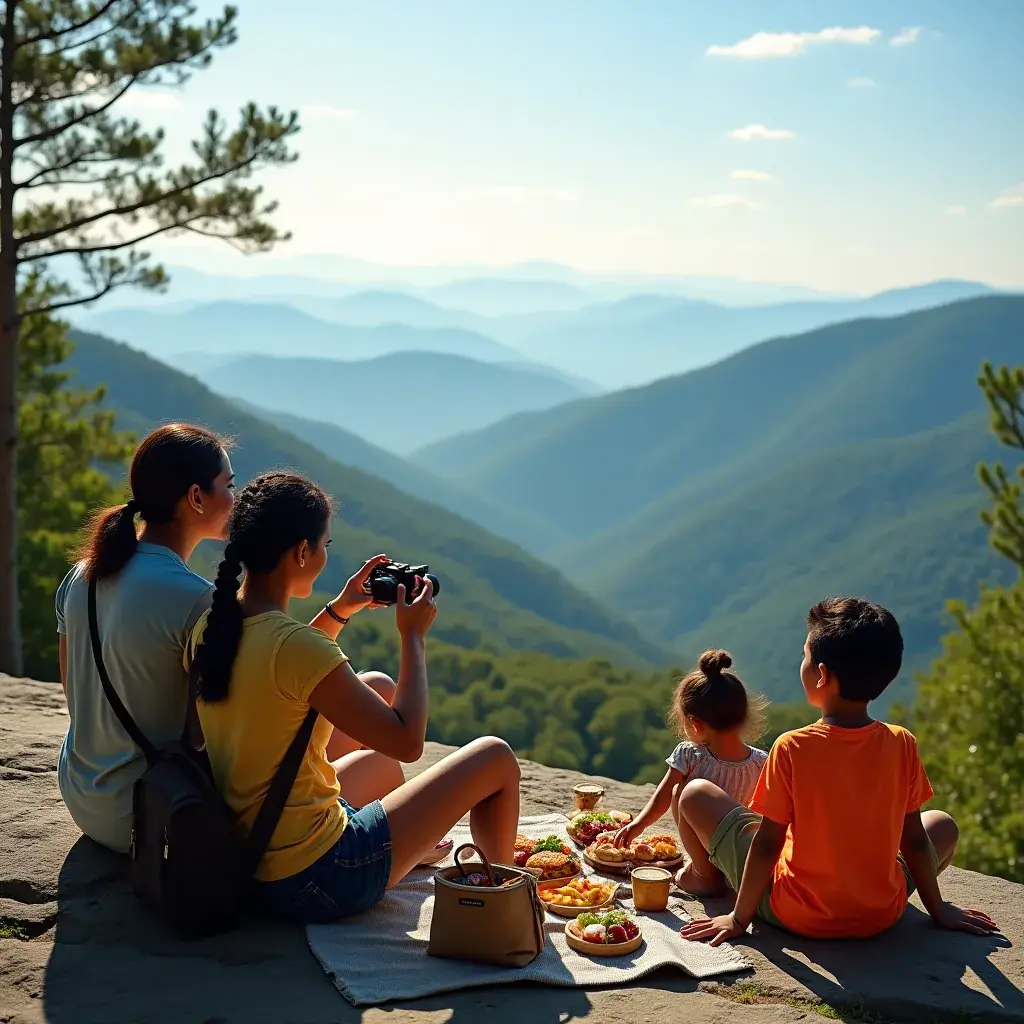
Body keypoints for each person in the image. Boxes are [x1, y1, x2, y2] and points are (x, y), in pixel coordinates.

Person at [187, 471, 521, 923]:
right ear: (301, 552)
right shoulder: (295, 646)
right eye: (324, 544)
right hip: (320, 876)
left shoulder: (213, 627)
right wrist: (413, 638)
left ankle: (409, 846)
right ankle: (502, 906)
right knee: (494, 757)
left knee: (379, 756)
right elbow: (408, 741)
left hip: (254, 857)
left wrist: (341, 608)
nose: (325, 555)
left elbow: (285, 669)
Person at [679, 597, 1000, 945]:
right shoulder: (902, 742)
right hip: (879, 914)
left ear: (821, 675)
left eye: (805, 656)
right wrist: (938, 909)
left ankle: (705, 877)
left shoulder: (792, 746)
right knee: (942, 824)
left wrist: (738, 918)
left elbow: (768, 844)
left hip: (796, 912)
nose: (802, 663)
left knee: (696, 793)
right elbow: (914, 840)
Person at [56, 423, 236, 852]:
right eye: (229, 485)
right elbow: (208, 733)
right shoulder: (196, 599)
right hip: (152, 814)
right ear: (196, 497)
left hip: (82, 797)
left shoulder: (81, 574)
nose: (236, 497)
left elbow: (71, 689)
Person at [612, 649, 768, 894]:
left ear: (694, 724)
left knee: (679, 792)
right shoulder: (762, 762)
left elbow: (663, 795)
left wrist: (639, 824)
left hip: (709, 856)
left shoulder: (690, 754)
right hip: (741, 859)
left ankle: (704, 873)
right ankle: (723, 875)